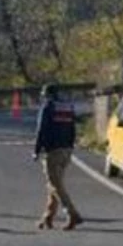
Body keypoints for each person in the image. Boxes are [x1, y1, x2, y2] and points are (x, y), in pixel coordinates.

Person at [33, 84, 82, 231]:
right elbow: (73, 128)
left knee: (55, 185)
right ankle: (48, 217)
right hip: (66, 150)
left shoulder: (48, 107)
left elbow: (41, 130)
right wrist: (70, 146)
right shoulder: (67, 107)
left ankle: (72, 213)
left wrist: (36, 150)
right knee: (54, 184)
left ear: (47, 95)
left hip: (52, 151)